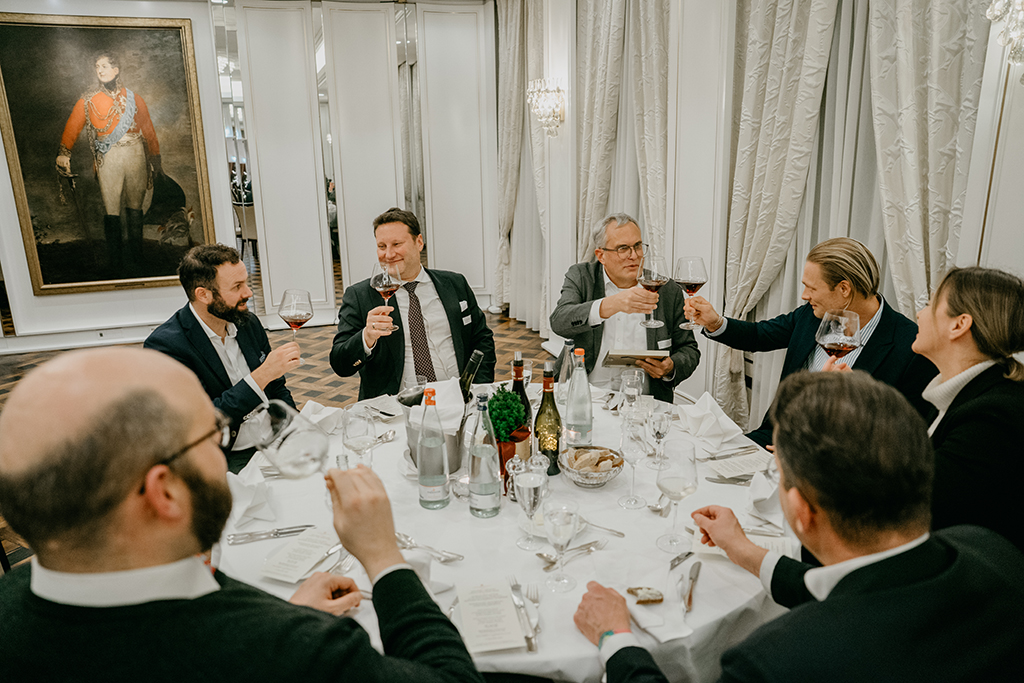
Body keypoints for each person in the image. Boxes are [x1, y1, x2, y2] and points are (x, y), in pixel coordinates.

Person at [0, 347, 484, 683]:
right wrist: (384, 558)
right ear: (164, 492)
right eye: (212, 433)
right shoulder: (296, 654)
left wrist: (287, 612)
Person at [573, 371, 1024, 682]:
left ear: (802, 510)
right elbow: (867, 589)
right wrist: (746, 551)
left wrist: (616, 641)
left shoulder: (777, 661)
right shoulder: (994, 553)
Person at [685, 237, 935, 446]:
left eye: (811, 288)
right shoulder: (813, 314)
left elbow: (904, 436)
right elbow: (759, 335)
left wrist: (856, 398)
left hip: (840, 464)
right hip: (777, 438)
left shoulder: (910, 346)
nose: (805, 296)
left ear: (844, 289)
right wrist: (715, 322)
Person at [145, 244, 299, 473]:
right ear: (203, 295)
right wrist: (261, 376)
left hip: (276, 441)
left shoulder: (248, 322)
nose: (248, 292)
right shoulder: (167, 346)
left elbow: (277, 387)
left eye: (246, 282)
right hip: (227, 458)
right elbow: (204, 420)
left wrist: (296, 429)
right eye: (237, 286)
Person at [908, 266, 1024, 552]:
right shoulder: (957, 396)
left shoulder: (994, 416)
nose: (919, 314)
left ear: (959, 325)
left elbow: (916, 507)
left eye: (930, 304)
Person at [330, 207, 496, 399]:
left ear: (419, 242)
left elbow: (482, 338)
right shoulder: (359, 296)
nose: (389, 255)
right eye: (382, 246)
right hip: (395, 406)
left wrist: (479, 388)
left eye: (397, 244)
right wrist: (366, 338)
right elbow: (340, 364)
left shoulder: (455, 283)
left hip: (458, 398)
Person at [549, 214, 699, 403]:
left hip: (644, 402)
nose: (634, 255)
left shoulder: (666, 289)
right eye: (623, 248)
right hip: (585, 396)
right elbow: (559, 321)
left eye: (638, 246)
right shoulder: (581, 276)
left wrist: (670, 367)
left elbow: (689, 350)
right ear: (601, 255)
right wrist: (613, 304)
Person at [56, 51, 162, 275]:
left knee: (135, 206)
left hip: (135, 154)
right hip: (108, 156)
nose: (100, 70)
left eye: (104, 66)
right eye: (97, 67)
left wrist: (155, 158)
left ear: (116, 70)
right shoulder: (88, 100)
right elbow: (73, 125)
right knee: (111, 209)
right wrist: (64, 153)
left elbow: (149, 130)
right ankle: (116, 263)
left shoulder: (135, 98)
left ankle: (137, 258)